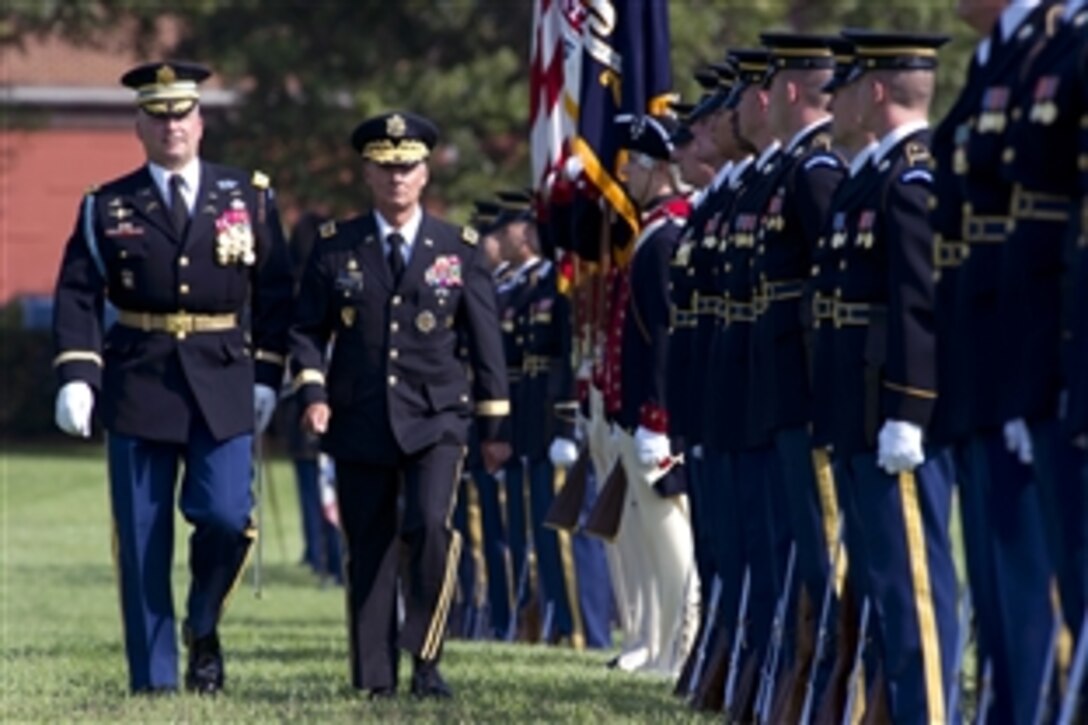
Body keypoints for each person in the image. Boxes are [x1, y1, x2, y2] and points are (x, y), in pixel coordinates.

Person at [51, 61, 293, 695]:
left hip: (223, 376)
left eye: (181, 114)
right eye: (157, 116)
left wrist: (268, 372)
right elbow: (77, 294)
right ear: (139, 125)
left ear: (201, 120)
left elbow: (277, 293)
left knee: (224, 516)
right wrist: (78, 375)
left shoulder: (250, 198)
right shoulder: (107, 205)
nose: (171, 127)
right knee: (141, 541)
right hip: (139, 379)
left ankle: (204, 621)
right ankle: (153, 682)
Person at [288, 111, 510, 700]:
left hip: (437, 416)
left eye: (406, 166)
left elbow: (486, 341)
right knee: (369, 543)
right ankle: (375, 676)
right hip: (359, 414)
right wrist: (313, 392)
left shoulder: (456, 248)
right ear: (366, 171)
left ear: (425, 173)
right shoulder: (336, 246)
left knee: (430, 526)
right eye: (385, 167)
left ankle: (427, 656)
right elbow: (306, 328)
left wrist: (495, 425)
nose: (396, 178)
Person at [826, 30, 958, 723]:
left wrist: (911, 408)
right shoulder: (867, 176)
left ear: (874, 91)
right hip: (858, 407)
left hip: (893, 413)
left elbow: (919, 299)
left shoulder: (913, 175)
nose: (832, 99)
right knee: (883, 589)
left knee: (917, 597)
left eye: (845, 85)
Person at [611, 112, 697, 677]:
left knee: (674, 544)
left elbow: (665, 330)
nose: (623, 176)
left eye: (631, 165)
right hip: (639, 405)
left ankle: (684, 644)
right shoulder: (655, 227)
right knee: (653, 533)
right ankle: (668, 645)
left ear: (653, 167)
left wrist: (657, 415)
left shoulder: (667, 233)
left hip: (657, 415)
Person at [281, 211, 343, 583]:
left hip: (302, 396)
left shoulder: (297, 289)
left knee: (313, 481)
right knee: (325, 480)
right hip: (320, 392)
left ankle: (319, 553)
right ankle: (329, 555)